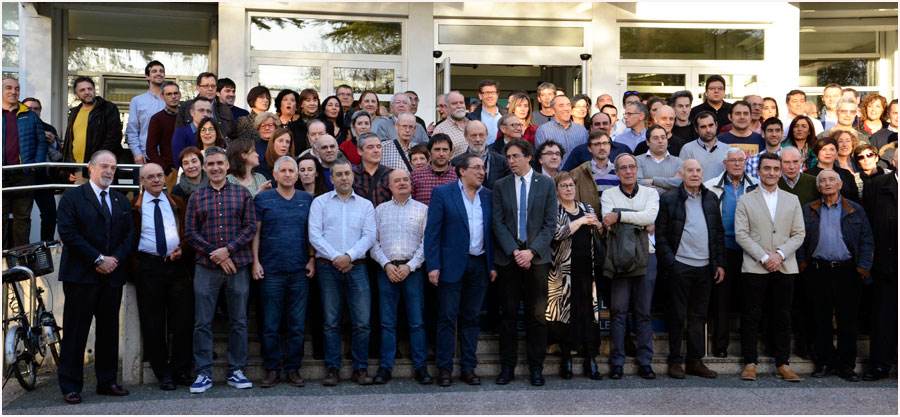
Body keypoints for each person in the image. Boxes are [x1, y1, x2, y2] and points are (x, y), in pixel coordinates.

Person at [56, 150, 134, 404]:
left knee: (109, 331)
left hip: (111, 276)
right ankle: (70, 386)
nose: (109, 171)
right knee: (76, 332)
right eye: (104, 166)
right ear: (90, 167)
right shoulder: (72, 197)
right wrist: (98, 259)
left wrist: (114, 260)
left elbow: (129, 235)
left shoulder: (120, 200)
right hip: (81, 277)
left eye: (113, 167)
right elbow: (68, 233)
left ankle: (107, 381)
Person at [184, 146, 256, 393]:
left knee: (239, 321)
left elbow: (249, 227)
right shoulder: (196, 197)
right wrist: (216, 254)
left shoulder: (242, 194)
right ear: (205, 168)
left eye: (219, 163)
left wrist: (228, 250)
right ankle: (203, 372)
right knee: (202, 322)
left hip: (237, 266)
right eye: (211, 164)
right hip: (206, 267)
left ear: (227, 165)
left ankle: (236, 370)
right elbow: (190, 233)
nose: (215, 168)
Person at [424, 153, 496, 387]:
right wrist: (433, 265)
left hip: (480, 264)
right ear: (462, 171)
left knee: (471, 318)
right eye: (476, 168)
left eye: (483, 168)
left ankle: (468, 368)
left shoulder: (488, 196)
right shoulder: (443, 193)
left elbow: (492, 232)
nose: (482, 172)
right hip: (450, 265)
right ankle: (444, 369)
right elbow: (432, 232)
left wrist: (492, 264)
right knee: (446, 317)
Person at [733, 152, 805, 382]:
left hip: (785, 266)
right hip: (755, 266)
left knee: (782, 316)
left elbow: (799, 233)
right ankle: (750, 362)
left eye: (775, 169)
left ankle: (783, 363)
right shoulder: (745, 199)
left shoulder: (792, 200)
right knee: (751, 315)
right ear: (758, 171)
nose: (771, 173)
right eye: (767, 168)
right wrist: (765, 258)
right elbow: (741, 234)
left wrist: (780, 255)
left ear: (781, 172)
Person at [491, 139, 558, 386]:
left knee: (537, 316)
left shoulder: (546, 184)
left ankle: (536, 368)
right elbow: (497, 222)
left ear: (528, 157)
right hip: (508, 259)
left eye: (515, 156)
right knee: (508, 315)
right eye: (508, 157)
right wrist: (515, 251)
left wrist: (531, 252)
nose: (511, 161)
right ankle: (507, 368)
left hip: (537, 259)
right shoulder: (501, 185)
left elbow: (550, 223)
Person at [797, 169, 874, 382]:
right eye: (823, 181)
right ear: (818, 186)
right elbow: (799, 240)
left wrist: (862, 269)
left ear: (840, 185)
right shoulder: (808, 210)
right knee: (820, 319)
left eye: (832, 180)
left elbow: (867, 240)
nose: (827, 183)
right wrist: (803, 265)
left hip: (848, 271)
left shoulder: (855, 209)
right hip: (817, 270)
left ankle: (846, 366)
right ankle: (824, 362)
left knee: (847, 320)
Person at [308, 159, 377, 386]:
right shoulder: (320, 203)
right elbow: (314, 235)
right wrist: (336, 257)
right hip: (327, 267)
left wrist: (348, 256)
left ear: (353, 176)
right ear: (331, 178)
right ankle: (332, 369)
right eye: (339, 174)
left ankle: (360, 368)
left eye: (347, 173)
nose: (344, 178)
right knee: (331, 321)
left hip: (357, 267)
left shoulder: (365, 205)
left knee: (362, 322)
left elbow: (369, 236)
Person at [655, 158, 725, 379]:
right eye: (690, 170)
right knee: (676, 316)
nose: (695, 174)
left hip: (705, 267)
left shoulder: (711, 198)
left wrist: (719, 263)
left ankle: (695, 361)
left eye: (698, 170)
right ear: (681, 174)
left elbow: (718, 234)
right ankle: (675, 361)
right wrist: (671, 262)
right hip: (680, 266)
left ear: (702, 174)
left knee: (699, 316)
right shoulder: (669, 199)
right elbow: (660, 235)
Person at [252, 156, 315, 389]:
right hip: (271, 270)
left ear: (297, 175)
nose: (288, 174)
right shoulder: (263, 199)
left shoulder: (307, 199)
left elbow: (311, 232)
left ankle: (293, 369)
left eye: (292, 171)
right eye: (284, 171)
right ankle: (272, 369)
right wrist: (255, 261)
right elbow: (256, 233)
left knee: (296, 325)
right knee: (271, 324)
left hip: (299, 270)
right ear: (275, 175)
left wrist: (312, 259)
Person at [130, 162, 193, 391]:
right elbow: (127, 238)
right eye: (151, 177)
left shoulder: (177, 202)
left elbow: (188, 232)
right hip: (148, 268)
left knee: (183, 320)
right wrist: (136, 266)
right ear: (142, 181)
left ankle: (182, 370)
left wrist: (182, 249)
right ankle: (163, 373)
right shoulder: (133, 206)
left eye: (159, 175)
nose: (157, 180)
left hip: (177, 267)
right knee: (153, 323)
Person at [600, 153, 660, 380]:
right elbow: (608, 221)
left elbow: (650, 216)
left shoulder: (651, 193)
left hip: (647, 255)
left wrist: (620, 216)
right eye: (623, 168)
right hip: (618, 258)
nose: (628, 171)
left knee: (643, 313)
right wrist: (640, 222)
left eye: (631, 167)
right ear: (616, 172)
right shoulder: (609, 194)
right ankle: (617, 362)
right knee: (618, 312)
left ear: (637, 169)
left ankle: (645, 362)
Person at [369, 169, 431, 385]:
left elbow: (427, 243)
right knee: (387, 323)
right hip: (386, 271)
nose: (402, 183)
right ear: (389, 186)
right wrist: (386, 264)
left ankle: (421, 367)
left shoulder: (423, 210)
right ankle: (385, 367)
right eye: (397, 180)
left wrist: (410, 266)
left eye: (406, 179)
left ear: (411, 184)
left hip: (412, 272)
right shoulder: (380, 210)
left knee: (417, 322)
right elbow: (373, 242)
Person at [547, 172, 604, 380]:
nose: (569, 189)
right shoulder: (554, 209)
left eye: (571, 185)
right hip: (563, 272)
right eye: (563, 186)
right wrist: (580, 221)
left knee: (589, 315)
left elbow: (599, 233)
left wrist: (599, 226)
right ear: (557, 190)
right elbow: (556, 234)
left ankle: (590, 359)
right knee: (565, 316)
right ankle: (566, 360)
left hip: (588, 270)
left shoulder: (586, 207)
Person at [703, 148, 758, 358]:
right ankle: (721, 346)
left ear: (745, 163)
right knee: (721, 299)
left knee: (750, 298)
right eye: (732, 160)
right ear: (725, 164)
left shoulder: (756, 186)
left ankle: (749, 347)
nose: (736, 164)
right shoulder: (711, 186)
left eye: (740, 160)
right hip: (723, 248)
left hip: (750, 249)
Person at [861, 151, 898, 381]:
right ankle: (880, 365)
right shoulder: (877, 185)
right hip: (886, 263)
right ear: (894, 161)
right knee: (883, 318)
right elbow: (867, 225)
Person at [2, 77, 47, 247]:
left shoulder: (29, 115)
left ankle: (21, 257)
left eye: (17, 88)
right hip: (2, 175)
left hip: (24, 174)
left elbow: (41, 142)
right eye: (8, 88)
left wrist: (35, 165)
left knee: (23, 219)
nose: (13, 92)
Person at [62, 76, 121, 183]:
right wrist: (67, 169)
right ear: (76, 95)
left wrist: (98, 160)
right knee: (79, 194)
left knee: (101, 194)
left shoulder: (107, 108)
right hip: (78, 169)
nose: (87, 92)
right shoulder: (74, 112)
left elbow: (113, 138)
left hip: (101, 167)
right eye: (82, 90)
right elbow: (69, 142)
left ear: (94, 90)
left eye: (90, 89)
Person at [19, 96, 58, 242]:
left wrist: (53, 142)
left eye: (36, 109)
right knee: (21, 216)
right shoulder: (15, 125)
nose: (33, 111)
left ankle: (46, 246)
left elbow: (59, 153)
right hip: (21, 177)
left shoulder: (48, 128)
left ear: (40, 111)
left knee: (50, 214)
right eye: (29, 109)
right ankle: (21, 249)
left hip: (42, 178)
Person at [126, 60, 166, 165]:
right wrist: (137, 153)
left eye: (161, 71)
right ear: (147, 77)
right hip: (145, 157)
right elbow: (132, 130)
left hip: (167, 158)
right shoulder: (137, 101)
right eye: (154, 71)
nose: (159, 73)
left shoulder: (171, 101)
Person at [450, 120, 510, 190]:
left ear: (487, 135)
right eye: (473, 136)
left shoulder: (501, 161)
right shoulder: (456, 163)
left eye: (481, 135)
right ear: (465, 137)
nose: (478, 139)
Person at [561, 112, 630, 172]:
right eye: (597, 124)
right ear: (591, 128)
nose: (601, 126)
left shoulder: (623, 150)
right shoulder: (579, 151)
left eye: (605, 123)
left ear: (610, 126)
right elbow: (566, 175)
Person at [570, 130, 619, 213]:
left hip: (614, 219)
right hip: (589, 219)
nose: (602, 147)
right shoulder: (579, 173)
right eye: (597, 144)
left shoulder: (619, 171)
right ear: (589, 148)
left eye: (605, 143)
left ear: (610, 146)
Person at [175, 72, 235, 140]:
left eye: (213, 86)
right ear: (198, 88)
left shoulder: (225, 109)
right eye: (206, 86)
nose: (210, 89)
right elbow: (179, 135)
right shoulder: (186, 107)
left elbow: (233, 137)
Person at [535, 95, 588, 167]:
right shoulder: (543, 131)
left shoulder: (582, 131)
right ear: (552, 110)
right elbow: (542, 158)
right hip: (553, 173)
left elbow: (585, 157)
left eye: (568, 105)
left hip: (577, 173)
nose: (566, 108)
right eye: (561, 105)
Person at [680, 111, 731, 182]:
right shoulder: (688, 149)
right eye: (703, 127)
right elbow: (682, 177)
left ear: (716, 125)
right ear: (696, 129)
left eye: (711, 125)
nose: (708, 130)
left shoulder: (727, 149)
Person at [806, 137, 859, 203]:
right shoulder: (808, 175)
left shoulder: (846, 174)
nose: (828, 153)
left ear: (836, 153)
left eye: (832, 149)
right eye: (824, 149)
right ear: (817, 153)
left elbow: (855, 199)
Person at [410, 133, 457, 206]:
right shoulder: (416, 175)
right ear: (429, 152)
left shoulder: (458, 175)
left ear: (450, 152)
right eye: (437, 150)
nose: (441, 154)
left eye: (445, 150)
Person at [146, 81, 182, 175]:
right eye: (169, 94)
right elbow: (150, 149)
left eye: (175, 93)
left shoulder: (188, 116)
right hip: (170, 169)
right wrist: (166, 169)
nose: (173, 96)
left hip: (191, 166)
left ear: (180, 95)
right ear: (162, 97)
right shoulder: (157, 119)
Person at [636, 125, 684, 193]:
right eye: (655, 138)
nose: (660, 141)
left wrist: (653, 181)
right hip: (647, 200)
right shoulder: (637, 161)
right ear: (647, 142)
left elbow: (680, 183)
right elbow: (638, 183)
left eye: (663, 137)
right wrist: (668, 190)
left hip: (672, 201)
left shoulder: (678, 162)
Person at [352, 132, 394, 209]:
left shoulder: (391, 174)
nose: (376, 150)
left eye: (378, 147)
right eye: (370, 147)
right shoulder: (351, 175)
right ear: (360, 151)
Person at [171, 97, 213, 170]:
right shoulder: (181, 133)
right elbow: (179, 162)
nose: (205, 114)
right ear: (192, 112)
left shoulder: (214, 132)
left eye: (208, 111)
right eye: (201, 110)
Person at [466, 80, 504, 144]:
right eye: (487, 93)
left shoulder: (505, 115)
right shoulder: (471, 118)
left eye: (493, 92)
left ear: (497, 95)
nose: (490, 96)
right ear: (480, 96)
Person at [434, 91, 469, 159]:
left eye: (461, 103)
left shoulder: (474, 125)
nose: (459, 106)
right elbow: (437, 158)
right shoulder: (440, 130)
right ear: (446, 107)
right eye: (454, 103)